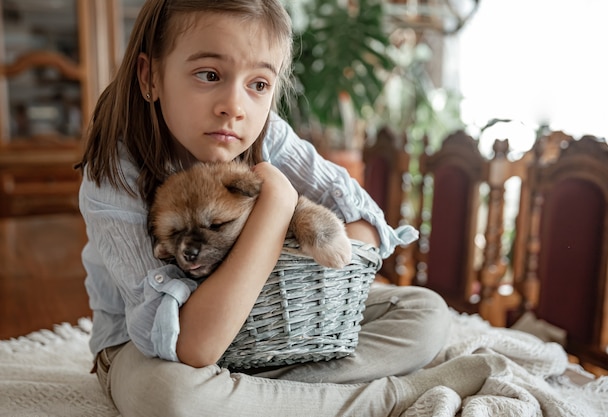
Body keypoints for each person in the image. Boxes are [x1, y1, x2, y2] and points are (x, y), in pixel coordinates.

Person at [76, 1, 505, 416]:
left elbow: (365, 224)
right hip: (151, 348)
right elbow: (191, 346)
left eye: (258, 85)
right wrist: (277, 204)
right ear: (150, 76)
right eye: (209, 74)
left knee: (424, 314)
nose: (235, 106)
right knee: (171, 397)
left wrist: (296, 240)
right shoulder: (113, 174)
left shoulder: (267, 135)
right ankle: (392, 397)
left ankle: (255, 397)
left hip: (270, 326)